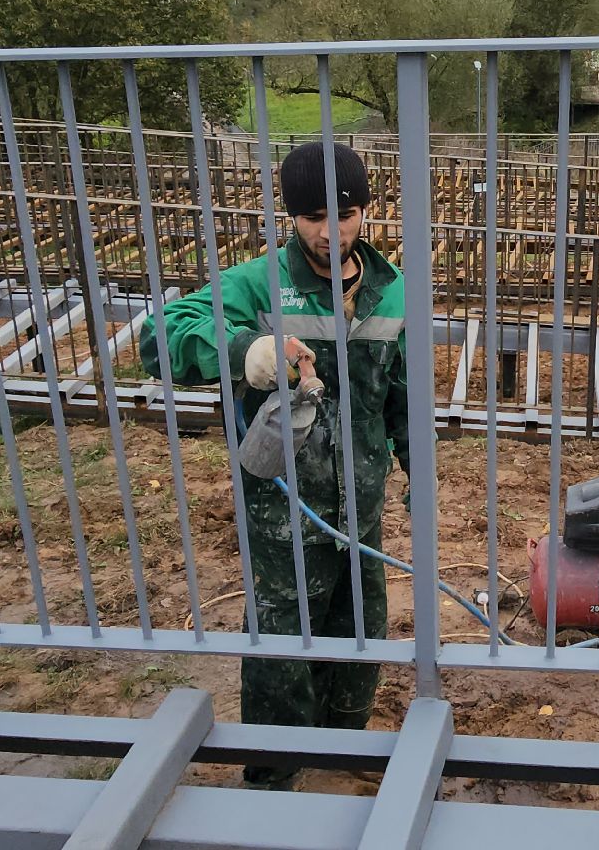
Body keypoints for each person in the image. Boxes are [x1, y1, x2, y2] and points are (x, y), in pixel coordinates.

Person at [140, 141, 409, 791]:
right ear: (292, 217)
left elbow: (399, 396)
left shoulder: (391, 289)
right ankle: (272, 773)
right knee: (282, 643)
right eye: (313, 216)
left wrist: (417, 474)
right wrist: (245, 350)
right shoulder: (257, 283)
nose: (329, 231)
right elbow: (158, 337)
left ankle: (343, 748)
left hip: (360, 509)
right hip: (282, 512)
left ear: (365, 212)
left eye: (343, 215)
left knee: (360, 632)